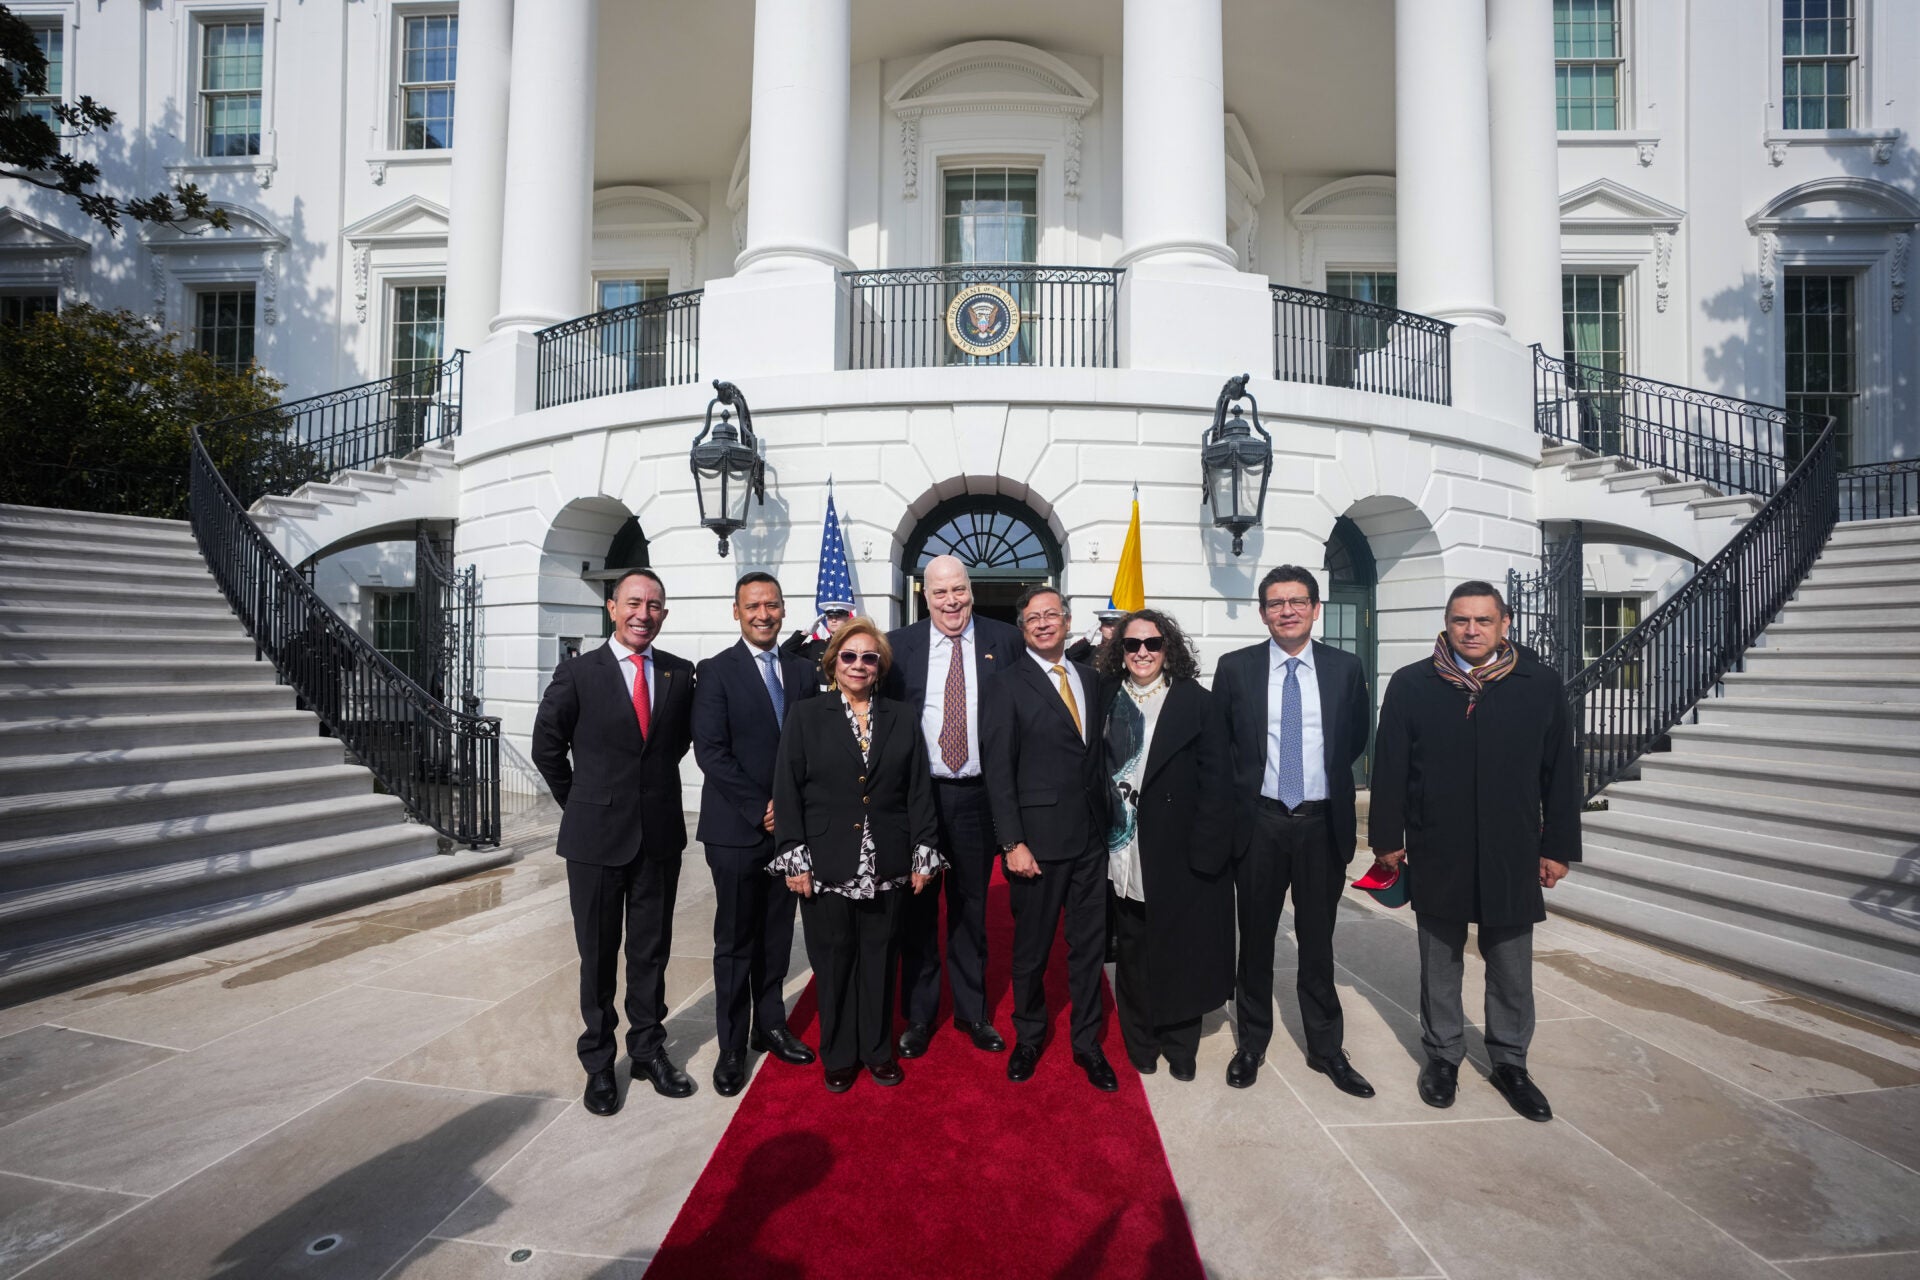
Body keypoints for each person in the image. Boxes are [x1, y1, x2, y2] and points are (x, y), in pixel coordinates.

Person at [1367, 581, 1582, 1122]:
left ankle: (1510, 1061)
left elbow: (1560, 771)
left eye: (1483, 621)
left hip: (1512, 847)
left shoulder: (1539, 683)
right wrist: (1387, 838)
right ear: (1446, 622)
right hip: (1437, 843)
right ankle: (1443, 1055)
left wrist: (1558, 845)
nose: (1471, 630)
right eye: (1461, 620)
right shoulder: (1414, 684)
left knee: (1510, 964)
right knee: (1439, 960)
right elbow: (1390, 764)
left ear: (1504, 625)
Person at [1198, 565, 1374, 1096]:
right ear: (1263, 612)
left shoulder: (1346, 668)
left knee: (1318, 942)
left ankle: (1325, 1049)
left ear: (1316, 609)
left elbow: (1355, 738)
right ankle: (1251, 1043)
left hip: (1323, 823)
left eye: (1298, 601)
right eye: (1276, 603)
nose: (1287, 611)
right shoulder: (1235, 668)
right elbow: (1221, 747)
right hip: (1261, 823)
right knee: (1254, 941)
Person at [532, 568, 698, 1115]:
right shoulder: (579, 674)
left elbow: (672, 749)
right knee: (598, 956)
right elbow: (547, 748)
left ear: (664, 615)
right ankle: (599, 1063)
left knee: (651, 952)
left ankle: (649, 1050)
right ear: (611, 608)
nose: (642, 614)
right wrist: (583, 802)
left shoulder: (679, 673)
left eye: (653, 605)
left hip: (658, 838)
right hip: (595, 841)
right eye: (633, 603)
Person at [771, 618, 943, 1092]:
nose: (859, 665)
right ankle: (840, 1054)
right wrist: (794, 857)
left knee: (881, 958)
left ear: (880, 666)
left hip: (887, 858)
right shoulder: (806, 715)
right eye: (849, 656)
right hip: (826, 861)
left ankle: (878, 1052)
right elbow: (787, 790)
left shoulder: (901, 716)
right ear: (833, 662)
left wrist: (923, 853)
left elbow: (917, 790)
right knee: (834, 960)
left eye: (869, 657)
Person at [884, 554, 1026, 1058]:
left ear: (971, 589)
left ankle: (972, 1013)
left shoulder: (1005, 641)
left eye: (959, 590)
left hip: (976, 797)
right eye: (941, 592)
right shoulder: (898, 646)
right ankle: (919, 1017)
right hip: (920, 797)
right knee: (918, 910)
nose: (952, 601)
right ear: (925, 595)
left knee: (970, 908)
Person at [692, 572, 821, 1097]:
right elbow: (711, 751)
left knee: (775, 937)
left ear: (784, 610)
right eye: (753, 606)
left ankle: (769, 1025)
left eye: (771, 605)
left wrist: (793, 812)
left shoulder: (803, 671)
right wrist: (762, 808)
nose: (763, 614)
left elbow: (814, 746)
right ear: (736, 611)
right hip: (737, 830)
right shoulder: (716, 671)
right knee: (736, 941)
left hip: (789, 833)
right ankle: (729, 1046)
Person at [982, 586, 1116, 1091]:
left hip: (1091, 840)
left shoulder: (1090, 677)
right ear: (1022, 628)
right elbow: (998, 770)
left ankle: (1087, 1044)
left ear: (1067, 620)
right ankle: (1030, 1037)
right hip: (1035, 845)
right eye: (1033, 618)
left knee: (1088, 949)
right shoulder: (1005, 685)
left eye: (1051, 615)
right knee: (1032, 951)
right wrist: (1011, 841)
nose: (1043, 623)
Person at [1098, 609, 1234, 1082]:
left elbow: (1219, 781)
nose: (1142, 653)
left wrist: (1208, 851)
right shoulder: (1106, 698)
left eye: (1152, 644)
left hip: (1178, 847)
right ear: (1119, 651)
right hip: (1122, 845)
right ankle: (1142, 1040)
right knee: (1133, 948)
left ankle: (1181, 1042)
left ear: (1167, 649)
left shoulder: (1196, 701)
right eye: (1132, 645)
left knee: (1181, 948)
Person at [781, 606, 850, 682]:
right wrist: (805, 632)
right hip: (820, 693)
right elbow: (783, 653)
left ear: (847, 619)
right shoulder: (816, 646)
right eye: (830, 617)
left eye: (838, 616)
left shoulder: (854, 646)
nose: (833, 620)